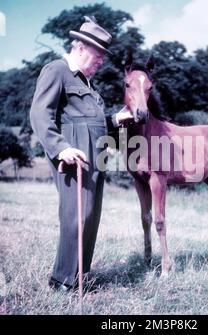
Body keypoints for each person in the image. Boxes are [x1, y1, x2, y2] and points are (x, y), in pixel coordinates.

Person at [30, 16, 133, 292]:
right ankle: (61, 279)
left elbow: (93, 124)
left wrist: (116, 120)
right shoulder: (57, 70)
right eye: (98, 55)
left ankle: (78, 276)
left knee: (90, 214)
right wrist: (61, 148)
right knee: (76, 215)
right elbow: (40, 114)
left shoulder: (90, 87)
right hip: (72, 156)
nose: (100, 62)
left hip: (96, 157)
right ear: (80, 48)